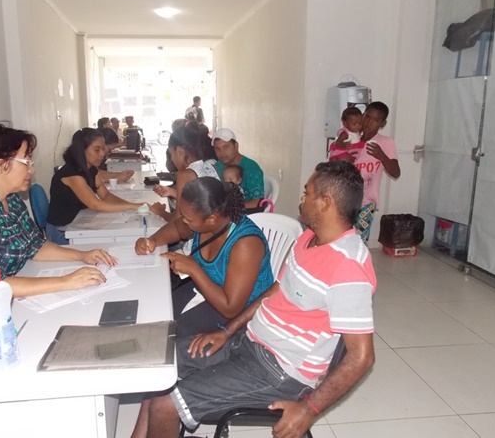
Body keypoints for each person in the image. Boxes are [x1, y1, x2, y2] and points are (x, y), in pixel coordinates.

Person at [131, 160, 376, 438]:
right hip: (248, 341)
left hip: (280, 372)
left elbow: (362, 357)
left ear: (326, 202)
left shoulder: (348, 265)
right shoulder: (309, 238)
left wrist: (309, 409)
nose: (302, 199)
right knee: (159, 364)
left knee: (166, 404)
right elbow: (274, 291)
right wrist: (227, 331)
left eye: (307, 193)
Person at [0, 122, 115, 341]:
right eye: (26, 162)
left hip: (7, 314)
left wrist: (82, 255)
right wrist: (67, 281)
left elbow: (36, 247)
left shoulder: (11, 201)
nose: (31, 169)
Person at [135, 177, 273, 337]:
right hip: (207, 288)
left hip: (241, 311)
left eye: (188, 219)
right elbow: (177, 228)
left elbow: (231, 308)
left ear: (211, 219)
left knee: (173, 333)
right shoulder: (203, 223)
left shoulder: (246, 244)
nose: (184, 221)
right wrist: (152, 240)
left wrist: (193, 269)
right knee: (157, 311)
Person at [46, 128, 143, 244]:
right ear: (82, 150)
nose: (102, 153)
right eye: (97, 150)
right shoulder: (72, 174)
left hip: (77, 220)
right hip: (61, 231)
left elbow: (106, 195)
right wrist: (133, 206)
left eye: (103, 149)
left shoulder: (91, 169)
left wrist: (130, 206)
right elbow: (95, 204)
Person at [350, 101, 400, 243]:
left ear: (382, 123)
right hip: (347, 198)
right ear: (363, 115)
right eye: (367, 117)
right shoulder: (351, 139)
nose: (369, 122)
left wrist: (381, 155)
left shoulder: (385, 143)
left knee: (359, 240)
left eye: (376, 120)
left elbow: (396, 173)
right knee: (346, 238)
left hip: (367, 201)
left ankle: (361, 258)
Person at [149, 126, 219, 222]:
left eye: (171, 154)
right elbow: (202, 201)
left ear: (179, 151)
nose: (172, 159)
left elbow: (177, 219)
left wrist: (160, 212)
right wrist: (173, 192)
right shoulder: (211, 165)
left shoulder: (184, 175)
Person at [212, 128, 264, 208]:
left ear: (236, 146)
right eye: (217, 149)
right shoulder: (217, 166)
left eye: (226, 147)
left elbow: (257, 203)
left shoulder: (251, 168)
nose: (222, 152)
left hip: (245, 213)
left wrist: (232, 208)